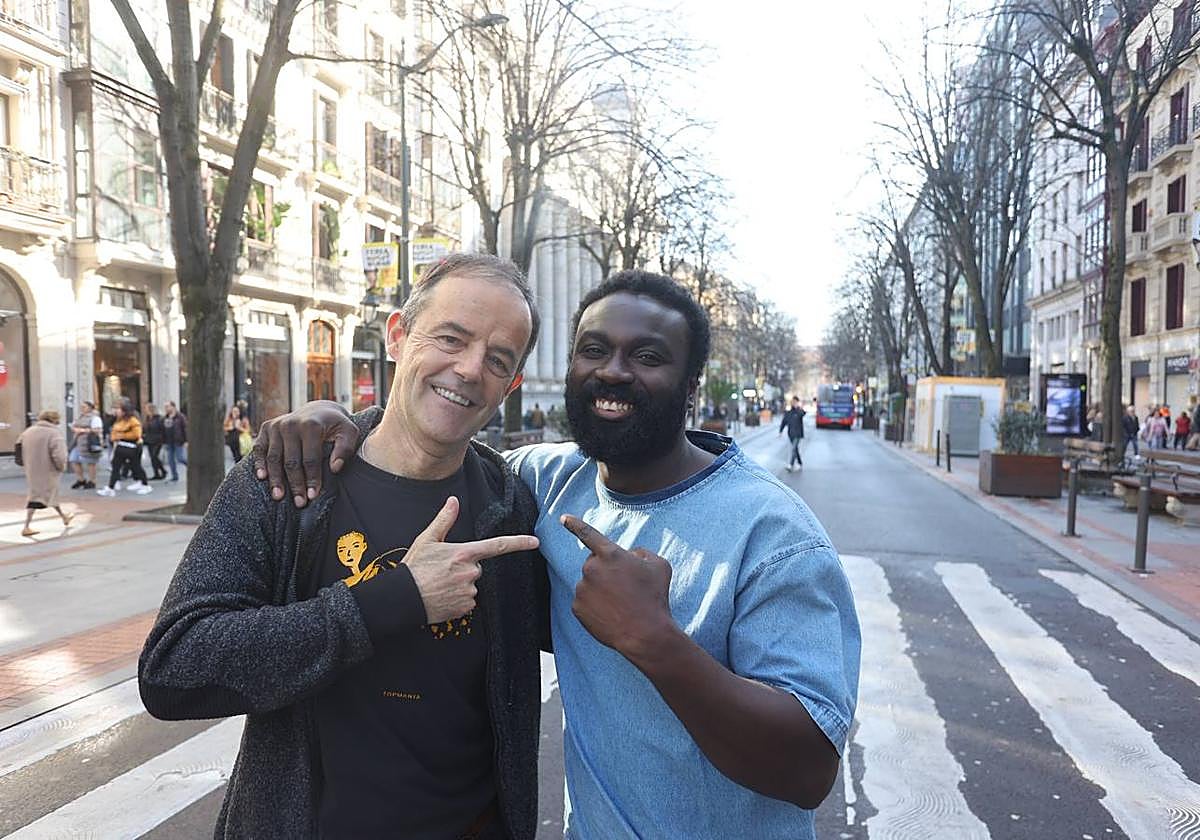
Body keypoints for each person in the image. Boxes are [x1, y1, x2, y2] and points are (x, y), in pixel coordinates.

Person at [259, 269, 861, 839]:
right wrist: (335, 420)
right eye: (594, 350)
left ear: (691, 386)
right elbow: (425, 445)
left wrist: (655, 641)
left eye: (647, 357)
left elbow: (807, 772)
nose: (614, 372)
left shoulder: (774, 533)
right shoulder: (542, 481)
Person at [138, 254, 549, 839]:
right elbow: (173, 669)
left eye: (497, 360)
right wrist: (393, 599)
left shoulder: (512, 509)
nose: (468, 368)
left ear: (511, 386)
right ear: (398, 336)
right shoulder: (286, 482)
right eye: (450, 338)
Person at [17, 410, 74, 537]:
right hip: (48, 470)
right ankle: (26, 526)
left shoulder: (28, 431)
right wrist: (62, 467)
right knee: (38, 496)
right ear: (54, 420)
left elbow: (18, 447)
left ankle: (64, 517)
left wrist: (24, 462)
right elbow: (59, 455)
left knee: (47, 494)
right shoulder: (54, 434)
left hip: (32, 468)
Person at [97, 400, 152, 496]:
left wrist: (121, 435)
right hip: (121, 446)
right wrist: (115, 437)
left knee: (136, 466)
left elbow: (136, 434)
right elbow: (113, 432)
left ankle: (145, 484)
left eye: (118, 409)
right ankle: (111, 487)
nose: (116, 411)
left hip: (133, 447)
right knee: (116, 466)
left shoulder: (133, 421)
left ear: (124, 411)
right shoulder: (119, 420)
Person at [68, 400, 103, 489]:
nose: (82, 409)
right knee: (73, 459)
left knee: (90, 462)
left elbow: (97, 430)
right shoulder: (80, 417)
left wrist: (82, 430)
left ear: (90, 408)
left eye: (84, 407)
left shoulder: (95, 418)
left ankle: (92, 481)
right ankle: (81, 479)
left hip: (89, 442)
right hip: (78, 442)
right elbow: (74, 425)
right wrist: (74, 428)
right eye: (81, 407)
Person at [778, 395, 807, 471]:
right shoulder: (788, 412)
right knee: (795, 450)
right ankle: (800, 462)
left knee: (793, 449)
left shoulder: (799, 411)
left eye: (795, 402)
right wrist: (780, 431)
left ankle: (790, 465)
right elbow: (784, 422)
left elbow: (803, 413)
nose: (794, 403)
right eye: (793, 402)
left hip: (798, 434)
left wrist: (798, 407)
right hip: (790, 434)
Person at [162, 400, 188, 481]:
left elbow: (185, 428)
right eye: (165, 407)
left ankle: (191, 467)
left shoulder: (180, 417)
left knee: (180, 458)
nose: (166, 408)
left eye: (167, 406)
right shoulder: (165, 417)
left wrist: (186, 440)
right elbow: (163, 429)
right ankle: (174, 476)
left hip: (178, 440)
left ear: (173, 407)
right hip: (169, 441)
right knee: (170, 460)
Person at [142, 403, 167, 480]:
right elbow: (145, 428)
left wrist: (164, 439)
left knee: (154, 456)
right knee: (152, 457)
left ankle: (163, 470)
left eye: (146, 409)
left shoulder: (159, 418)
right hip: (149, 440)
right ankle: (156, 473)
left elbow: (163, 429)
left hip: (157, 440)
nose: (145, 410)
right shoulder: (148, 418)